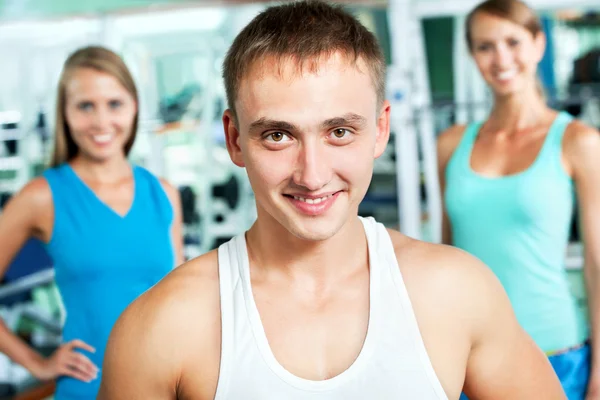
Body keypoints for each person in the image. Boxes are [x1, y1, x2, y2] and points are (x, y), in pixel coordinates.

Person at [98, 1, 565, 399]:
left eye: (339, 132)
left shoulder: (455, 292)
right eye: (279, 135)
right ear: (235, 139)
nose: (313, 175)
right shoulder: (161, 328)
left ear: (380, 129)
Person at [436, 0, 600, 399]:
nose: (501, 58)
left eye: (513, 41)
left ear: (539, 44)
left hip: (556, 352)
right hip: (468, 355)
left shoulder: (579, 142)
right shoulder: (451, 144)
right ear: (472, 54)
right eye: (484, 46)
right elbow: (444, 257)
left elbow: (598, 263)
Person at [0, 46, 184, 399]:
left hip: (163, 386)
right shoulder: (42, 196)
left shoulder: (164, 193)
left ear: (133, 106)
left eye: (114, 104)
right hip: (87, 386)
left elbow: (176, 300)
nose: (101, 122)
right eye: (86, 106)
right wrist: (36, 364)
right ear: (65, 114)